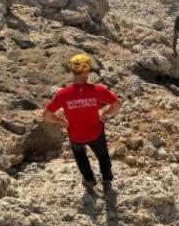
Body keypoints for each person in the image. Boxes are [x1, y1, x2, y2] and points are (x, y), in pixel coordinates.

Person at [43, 53, 122, 192]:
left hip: (75, 134)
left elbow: (46, 116)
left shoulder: (63, 94)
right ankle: (107, 180)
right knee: (103, 155)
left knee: (80, 156)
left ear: (72, 70)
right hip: (95, 132)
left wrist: (61, 121)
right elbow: (117, 105)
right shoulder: (98, 90)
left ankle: (89, 180)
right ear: (86, 71)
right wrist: (105, 114)